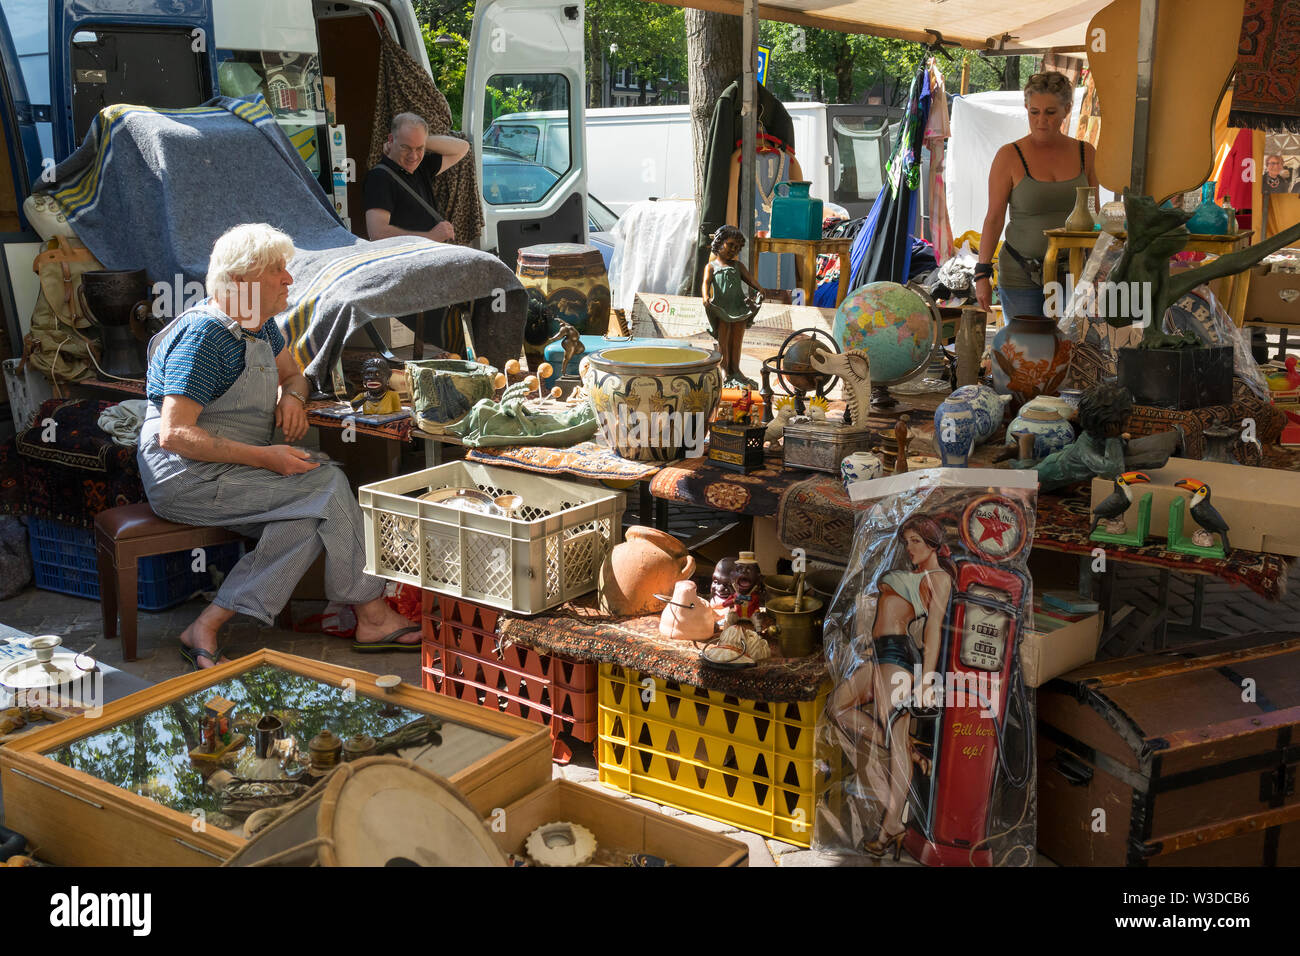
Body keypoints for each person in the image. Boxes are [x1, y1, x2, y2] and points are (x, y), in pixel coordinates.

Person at [137, 223, 422, 669]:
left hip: (232, 470)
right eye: (278, 271)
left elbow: (294, 374)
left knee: (310, 513)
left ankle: (206, 625)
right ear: (244, 280)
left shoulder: (260, 327)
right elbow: (174, 435)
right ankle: (370, 612)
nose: (289, 280)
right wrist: (265, 456)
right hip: (187, 476)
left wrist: (292, 397)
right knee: (326, 484)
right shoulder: (206, 338)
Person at [827, 515, 956, 859]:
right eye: (907, 542)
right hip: (880, 656)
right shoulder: (913, 575)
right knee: (838, 707)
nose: (909, 548)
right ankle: (908, 752)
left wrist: (927, 680)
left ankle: (891, 825)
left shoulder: (938, 578)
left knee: (895, 739)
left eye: (916, 541)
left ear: (932, 544)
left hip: (899, 659)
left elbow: (934, 632)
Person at [975, 72, 1098, 323]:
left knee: (1071, 351)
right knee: (1025, 354)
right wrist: (981, 274)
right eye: (1034, 112)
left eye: (1051, 113)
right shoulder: (1009, 156)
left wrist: (1098, 270)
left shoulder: (1086, 153)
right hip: (1021, 272)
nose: (1041, 120)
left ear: (1067, 109)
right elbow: (994, 218)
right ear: (1026, 109)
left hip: (1073, 271)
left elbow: (1093, 213)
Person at [363, 112, 470, 244]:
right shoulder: (380, 177)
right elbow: (377, 232)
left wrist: (421, 140)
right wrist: (430, 237)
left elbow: (463, 147)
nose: (413, 156)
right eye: (405, 147)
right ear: (390, 140)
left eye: (419, 148)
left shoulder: (421, 167)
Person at [702, 224, 763, 387]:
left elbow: (750, 280)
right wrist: (705, 296)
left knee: (737, 339)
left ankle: (736, 369)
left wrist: (760, 289)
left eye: (737, 247)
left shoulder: (738, 266)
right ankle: (724, 370)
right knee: (724, 339)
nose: (733, 249)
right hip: (722, 308)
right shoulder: (711, 267)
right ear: (719, 242)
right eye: (730, 245)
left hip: (739, 307)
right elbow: (705, 283)